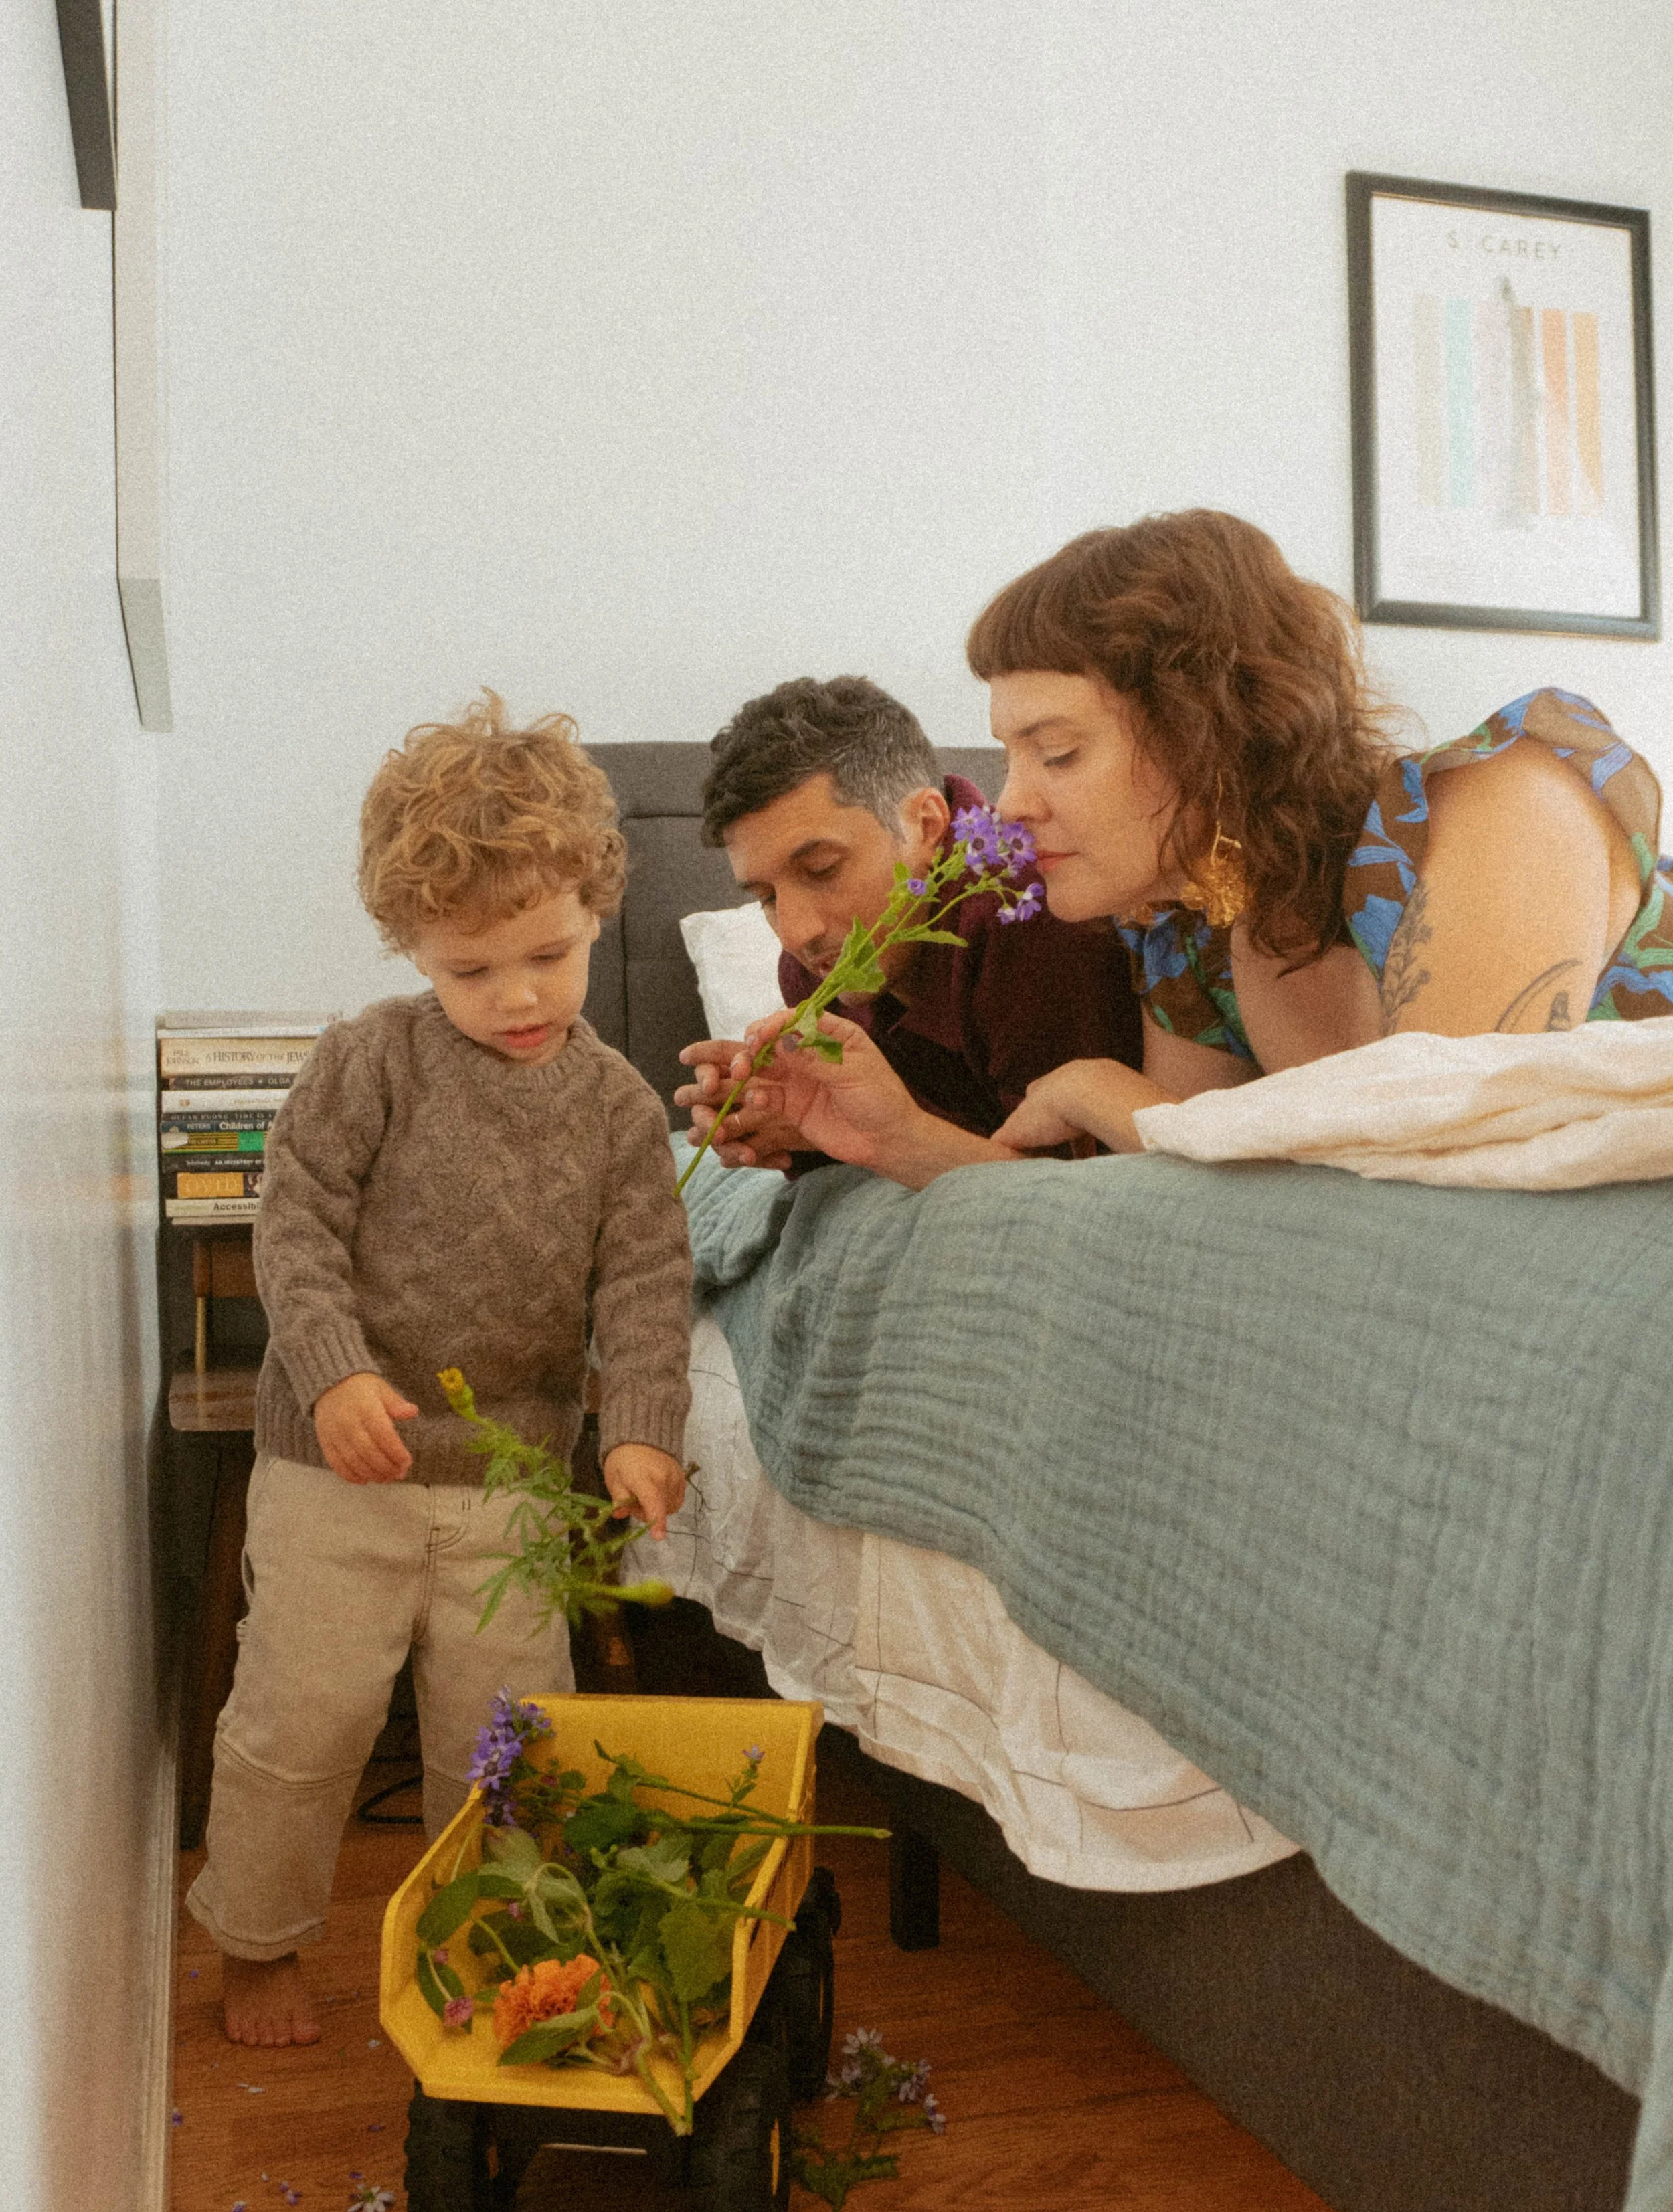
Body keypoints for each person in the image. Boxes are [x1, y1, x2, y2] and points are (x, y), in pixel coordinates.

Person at [187, 694, 692, 2046]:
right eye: (474, 971)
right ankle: (258, 1940)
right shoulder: (370, 1062)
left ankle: (504, 1950)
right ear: (410, 944)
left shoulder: (619, 1109)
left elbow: (643, 1282)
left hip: (509, 1489)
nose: (518, 996)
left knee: (507, 1742)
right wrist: (337, 1372)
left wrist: (641, 1428)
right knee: (299, 1723)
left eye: (549, 953)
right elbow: (290, 1224)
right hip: (336, 1469)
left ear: (596, 906)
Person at [730, 513, 1673, 1182]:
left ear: (1202, 730)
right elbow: (1166, 1212)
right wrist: (893, 1137)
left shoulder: (1515, 788)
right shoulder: (1189, 941)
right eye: (1014, 755)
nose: (1012, 802)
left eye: (1056, 752)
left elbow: (1436, 1150)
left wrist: (1105, 1094)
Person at [674, 673, 1142, 1172]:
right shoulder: (812, 967)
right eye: (766, 897)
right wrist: (794, 1130)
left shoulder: (1034, 917)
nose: (795, 934)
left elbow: (1079, 1197)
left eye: (821, 870)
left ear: (927, 825)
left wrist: (893, 1137)